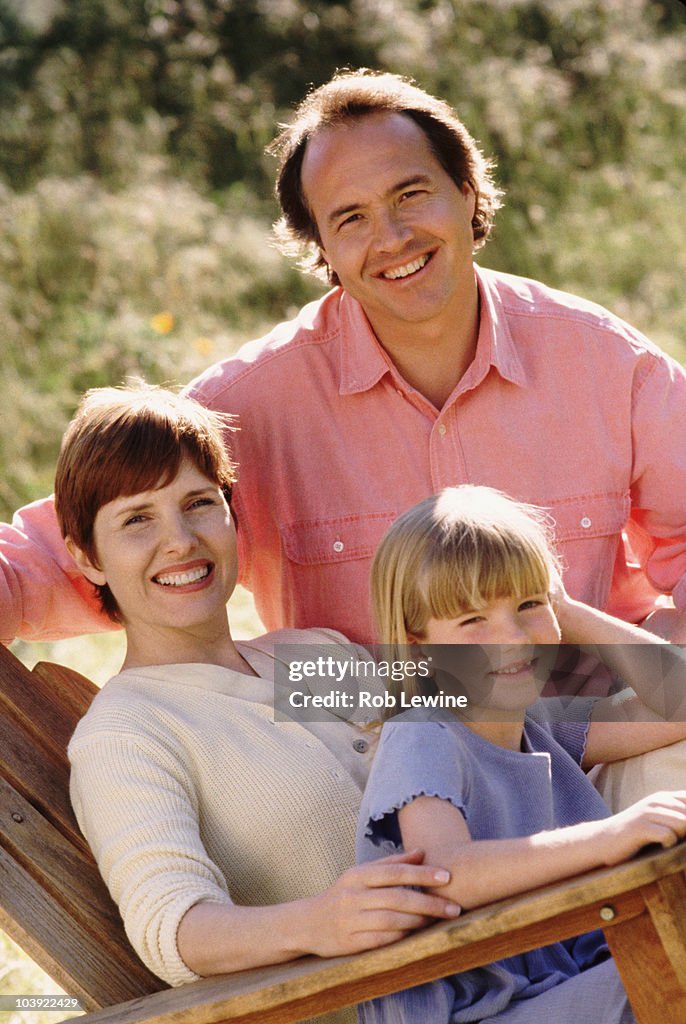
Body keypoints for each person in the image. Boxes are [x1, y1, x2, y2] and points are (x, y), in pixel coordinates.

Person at [3, 68, 686, 647]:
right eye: (350, 218)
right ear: (322, 250)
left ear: (468, 194)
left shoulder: (605, 363)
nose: (391, 237)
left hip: (588, 728)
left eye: (411, 194)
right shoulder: (248, 406)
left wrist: (655, 676)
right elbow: (67, 554)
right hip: (359, 749)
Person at [58, 383, 461, 1023]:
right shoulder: (130, 732)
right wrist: (318, 923)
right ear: (87, 557)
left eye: (198, 504)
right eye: (137, 519)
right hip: (400, 1006)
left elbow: (505, 701)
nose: (181, 540)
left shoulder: (303, 656)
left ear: (231, 515)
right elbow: (174, 925)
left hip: (505, 955)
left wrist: (581, 629)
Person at [356, 485, 686, 1023]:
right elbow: (444, 870)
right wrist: (611, 835)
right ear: (420, 644)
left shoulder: (544, 727)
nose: (511, 638)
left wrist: (568, 614)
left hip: (573, 979)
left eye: (528, 605)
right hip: (487, 1009)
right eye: (472, 621)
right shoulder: (423, 733)